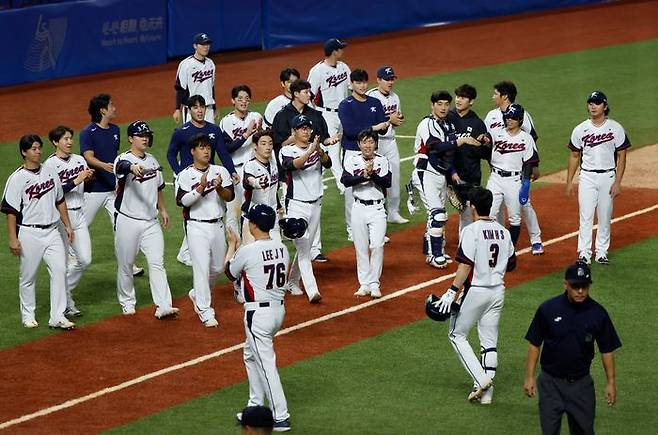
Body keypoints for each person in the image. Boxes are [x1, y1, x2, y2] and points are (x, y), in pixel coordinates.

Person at [435, 187, 516, 404]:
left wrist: (451, 292)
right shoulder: (504, 232)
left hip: (477, 291)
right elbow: (511, 265)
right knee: (489, 342)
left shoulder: (471, 231)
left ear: (472, 207)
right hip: (498, 291)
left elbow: (465, 266)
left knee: (456, 334)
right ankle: (486, 396)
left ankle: (481, 379)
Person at [524, 261, 621, 434]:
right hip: (550, 385)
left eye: (584, 286)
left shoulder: (598, 313)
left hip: (581, 386)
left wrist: (611, 382)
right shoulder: (548, 309)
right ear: (566, 284)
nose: (581, 291)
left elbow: (607, 349)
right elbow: (534, 343)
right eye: (576, 286)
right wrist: (529, 377)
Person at [225, 204, 292, 432]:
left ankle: (280, 416)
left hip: (258, 315)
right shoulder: (282, 248)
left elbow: (229, 272)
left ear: (253, 225)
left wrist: (233, 245)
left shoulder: (249, 250)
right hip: (277, 312)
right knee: (250, 355)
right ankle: (254, 406)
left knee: (265, 364)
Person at [2, 134, 76, 330]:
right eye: (33, 149)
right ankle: (28, 315)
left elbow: (60, 200)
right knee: (28, 276)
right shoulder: (17, 178)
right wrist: (13, 239)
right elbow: (10, 211)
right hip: (29, 233)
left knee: (60, 270)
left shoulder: (50, 171)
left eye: (39, 148)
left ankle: (57, 316)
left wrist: (67, 225)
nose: (38, 152)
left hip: (52, 231)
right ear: (24, 152)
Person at [113, 121, 179, 318]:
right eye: (140, 135)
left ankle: (164, 305)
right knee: (126, 263)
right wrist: (132, 167)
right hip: (128, 220)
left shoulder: (152, 160)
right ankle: (127, 301)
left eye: (146, 134)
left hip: (151, 222)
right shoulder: (122, 160)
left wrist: (163, 209)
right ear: (131, 138)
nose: (145, 138)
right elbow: (123, 167)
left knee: (157, 263)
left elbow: (158, 187)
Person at [411, 90, 481, 268]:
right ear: (432, 105)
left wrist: (453, 172)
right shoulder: (427, 124)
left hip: (440, 174)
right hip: (425, 172)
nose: (443, 108)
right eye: (439, 104)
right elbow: (437, 147)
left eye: (446, 104)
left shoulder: (447, 125)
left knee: (437, 215)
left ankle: (434, 251)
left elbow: (447, 155)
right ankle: (435, 255)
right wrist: (463, 141)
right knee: (438, 215)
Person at [272, 79, 339, 263]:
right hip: (291, 171)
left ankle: (315, 250)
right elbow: (278, 143)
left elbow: (322, 139)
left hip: (314, 166)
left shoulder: (315, 115)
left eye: (309, 91)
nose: (309, 94)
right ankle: (299, 246)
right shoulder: (282, 115)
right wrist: (298, 140)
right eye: (305, 92)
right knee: (295, 212)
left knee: (315, 205)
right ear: (295, 94)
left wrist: (329, 142)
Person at [167, 94, 237, 266]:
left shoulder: (214, 130)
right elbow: (170, 154)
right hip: (189, 178)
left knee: (207, 211)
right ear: (189, 110)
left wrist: (232, 171)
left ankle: (186, 252)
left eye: (202, 107)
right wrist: (178, 173)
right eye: (195, 107)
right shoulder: (181, 132)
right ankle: (187, 253)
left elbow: (222, 152)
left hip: (210, 177)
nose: (199, 110)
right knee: (192, 214)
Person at [80, 93, 144, 277]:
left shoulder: (115, 130)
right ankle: (69, 254)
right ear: (102, 110)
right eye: (111, 105)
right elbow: (88, 156)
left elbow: (115, 156)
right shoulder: (87, 132)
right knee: (81, 224)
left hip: (113, 189)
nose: (114, 107)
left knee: (121, 227)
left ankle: (128, 264)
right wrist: (103, 166)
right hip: (94, 190)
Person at [176, 133, 234, 327]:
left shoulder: (220, 171)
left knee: (217, 267)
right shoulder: (184, 175)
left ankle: (197, 293)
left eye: (208, 147)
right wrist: (201, 187)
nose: (206, 151)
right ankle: (204, 309)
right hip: (196, 226)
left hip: (217, 224)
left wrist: (218, 189)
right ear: (192, 151)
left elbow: (230, 197)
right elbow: (182, 201)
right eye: (201, 147)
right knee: (200, 269)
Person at [565, 91, 630, 265]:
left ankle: (602, 251)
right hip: (587, 176)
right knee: (585, 216)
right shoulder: (580, 129)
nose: (593, 106)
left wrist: (618, 182)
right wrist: (569, 181)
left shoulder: (615, 128)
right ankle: (584, 252)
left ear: (605, 106)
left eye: (597, 103)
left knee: (604, 215)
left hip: (608, 176)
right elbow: (574, 156)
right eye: (590, 103)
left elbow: (622, 156)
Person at [484, 81, 544, 254]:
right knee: (494, 209)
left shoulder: (523, 116)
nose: (493, 96)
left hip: (518, 170)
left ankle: (535, 238)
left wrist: (533, 167)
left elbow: (530, 140)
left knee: (525, 205)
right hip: (496, 170)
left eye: (496, 93)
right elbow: (489, 140)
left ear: (505, 96)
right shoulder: (492, 116)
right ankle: (498, 242)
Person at [279, 114, 332, 303]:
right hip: (296, 206)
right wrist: (311, 151)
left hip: (316, 203)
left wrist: (320, 150)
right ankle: (313, 291)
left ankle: (292, 282)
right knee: (303, 248)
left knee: (307, 246)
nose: (306, 131)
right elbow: (294, 166)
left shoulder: (318, 148)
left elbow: (328, 163)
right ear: (293, 132)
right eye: (302, 128)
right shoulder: (287, 150)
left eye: (308, 128)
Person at [43, 126, 94, 317]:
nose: (70, 141)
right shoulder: (49, 165)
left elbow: (85, 183)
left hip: (79, 214)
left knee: (85, 259)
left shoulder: (79, 159)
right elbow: (53, 193)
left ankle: (63, 293)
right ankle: (66, 303)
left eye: (70, 138)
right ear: (55, 142)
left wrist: (88, 177)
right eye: (65, 139)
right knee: (62, 263)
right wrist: (76, 180)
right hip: (60, 217)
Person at [338, 69, 390, 241]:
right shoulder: (346, 104)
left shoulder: (374, 102)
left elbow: (383, 129)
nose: (362, 85)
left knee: (378, 186)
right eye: (358, 82)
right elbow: (351, 131)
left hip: (373, 151)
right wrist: (375, 127)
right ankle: (352, 229)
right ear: (351, 84)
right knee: (351, 192)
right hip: (352, 151)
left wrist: (390, 123)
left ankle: (377, 227)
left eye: (364, 82)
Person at [341, 129, 391, 298]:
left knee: (377, 245)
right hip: (358, 208)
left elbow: (387, 182)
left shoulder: (382, 161)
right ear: (359, 144)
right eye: (364, 142)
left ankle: (374, 283)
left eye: (371, 142)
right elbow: (345, 180)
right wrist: (363, 176)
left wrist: (372, 175)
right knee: (361, 248)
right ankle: (364, 284)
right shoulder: (352, 160)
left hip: (377, 209)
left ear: (375, 144)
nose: (368, 145)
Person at [308, 38, 351, 192]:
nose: (343, 50)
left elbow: (353, 88)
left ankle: (317, 176)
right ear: (334, 51)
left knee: (340, 148)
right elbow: (308, 96)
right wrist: (315, 117)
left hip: (345, 113)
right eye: (340, 48)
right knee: (334, 150)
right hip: (327, 115)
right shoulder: (317, 71)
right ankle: (343, 185)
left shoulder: (344, 67)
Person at [365, 65, 408, 224]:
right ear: (378, 80)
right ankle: (375, 212)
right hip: (374, 143)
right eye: (387, 79)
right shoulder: (370, 97)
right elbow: (368, 122)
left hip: (390, 142)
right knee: (374, 177)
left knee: (394, 175)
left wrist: (397, 120)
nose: (390, 82)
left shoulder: (395, 97)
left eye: (392, 79)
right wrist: (389, 120)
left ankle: (393, 212)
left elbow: (395, 119)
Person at [219, 85, 263, 236]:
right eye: (240, 99)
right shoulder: (226, 122)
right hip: (236, 171)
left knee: (255, 207)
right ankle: (235, 248)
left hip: (255, 168)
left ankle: (252, 242)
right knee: (234, 211)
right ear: (233, 101)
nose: (244, 102)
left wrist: (261, 131)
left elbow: (264, 141)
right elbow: (227, 149)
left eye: (246, 99)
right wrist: (246, 134)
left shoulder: (256, 116)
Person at [447, 84, 490, 236]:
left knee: (466, 213)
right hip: (447, 173)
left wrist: (484, 143)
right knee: (440, 213)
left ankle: (465, 245)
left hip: (470, 175)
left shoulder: (477, 123)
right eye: (457, 96)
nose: (458, 100)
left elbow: (485, 153)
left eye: (463, 97)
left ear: (471, 101)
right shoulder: (447, 118)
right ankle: (437, 246)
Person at [241, 130, 281, 243]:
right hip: (253, 219)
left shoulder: (273, 165)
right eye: (263, 144)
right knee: (250, 255)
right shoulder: (250, 165)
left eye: (270, 143)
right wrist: (257, 183)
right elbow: (248, 180)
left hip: (272, 216)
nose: (268, 147)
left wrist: (279, 208)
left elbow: (274, 189)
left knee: (276, 250)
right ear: (255, 146)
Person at [173, 32, 216, 124]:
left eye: (207, 44)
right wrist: (177, 109)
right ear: (195, 46)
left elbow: (211, 87)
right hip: (192, 109)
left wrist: (214, 107)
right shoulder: (186, 64)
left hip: (208, 108)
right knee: (192, 138)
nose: (206, 47)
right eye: (203, 44)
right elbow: (180, 88)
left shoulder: (211, 63)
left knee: (210, 137)